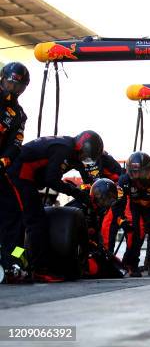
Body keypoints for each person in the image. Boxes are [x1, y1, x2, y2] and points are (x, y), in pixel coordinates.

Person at [2, 131, 104, 282]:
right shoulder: (64, 149)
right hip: (18, 176)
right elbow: (51, 179)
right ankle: (32, 268)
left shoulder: (70, 149)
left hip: (22, 177)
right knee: (35, 223)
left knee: (24, 223)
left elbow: (84, 173)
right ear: (81, 146)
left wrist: (90, 193)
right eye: (85, 154)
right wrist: (77, 193)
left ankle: (15, 262)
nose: (85, 158)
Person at [112, 151, 150, 277]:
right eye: (133, 171)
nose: (136, 176)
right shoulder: (124, 180)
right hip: (134, 207)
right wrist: (121, 221)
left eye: (140, 172)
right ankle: (131, 264)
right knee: (135, 234)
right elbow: (118, 203)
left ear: (148, 170)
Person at [0, 62, 29, 279]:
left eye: (19, 86)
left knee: (16, 215)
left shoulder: (19, 114)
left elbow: (16, 144)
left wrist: (4, 161)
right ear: (3, 79)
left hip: (1, 168)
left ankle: (13, 260)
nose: (13, 89)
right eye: (11, 82)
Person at [74, 151, 123, 253]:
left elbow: (118, 183)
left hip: (114, 193)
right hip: (100, 193)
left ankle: (105, 254)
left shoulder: (98, 159)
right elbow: (87, 183)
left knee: (106, 224)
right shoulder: (80, 160)